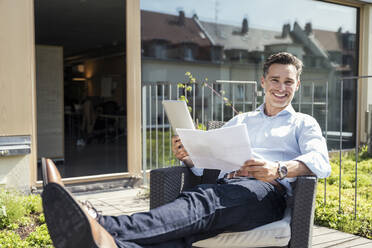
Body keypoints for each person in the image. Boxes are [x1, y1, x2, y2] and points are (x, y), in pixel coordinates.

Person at [42, 52, 331, 248]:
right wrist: (189, 156)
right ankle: (111, 243)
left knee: (203, 202)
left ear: (297, 85)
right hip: (227, 186)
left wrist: (278, 169)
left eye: (289, 82)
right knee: (186, 232)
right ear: (263, 82)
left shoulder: (302, 123)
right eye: (275, 80)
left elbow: (320, 161)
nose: (281, 87)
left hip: (267, 194)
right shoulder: (241, 119)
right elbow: (214, 158)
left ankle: (103, 223)